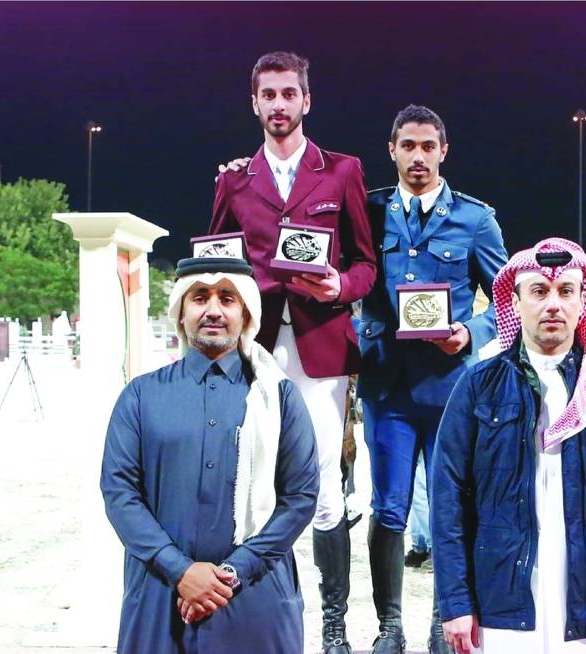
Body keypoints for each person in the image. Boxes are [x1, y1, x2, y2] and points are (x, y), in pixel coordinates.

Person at [209, 51, 376, 654]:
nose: (279, 104)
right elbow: (216, 265)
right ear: (254, 103)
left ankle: (334, 622)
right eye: (269, 95)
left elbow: (366, 265)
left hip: (320, 349)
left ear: (306, 100)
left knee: (325, 485)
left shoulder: (343, 171)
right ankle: (258, 612)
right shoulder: (232, 179)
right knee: (250, 483)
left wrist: (340, 286)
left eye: (289, 94)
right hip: (250, 350)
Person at [431, 238, 586, 654]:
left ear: (582, 302)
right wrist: (454, 603)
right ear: (515, 302)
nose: (553, 304)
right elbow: (447, 501)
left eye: (565, 292)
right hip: (502, 604)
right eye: (539, 291)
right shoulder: (478, 386)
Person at [100, 251, 319, 653]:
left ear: (247, 315)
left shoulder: (278, 397)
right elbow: (119, 492)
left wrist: (233, 573)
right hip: (161, 597)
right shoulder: (141, 396)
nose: (213, 310)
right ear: (181, 313)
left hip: (256, 596)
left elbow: (300, 498)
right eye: (200, 298)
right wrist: (179, 569)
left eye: (227, 299)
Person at [358, 104, 508, 654]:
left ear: (444, 152)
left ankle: (445, 626)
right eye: (408, 146)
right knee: (389, 509)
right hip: (386, 388)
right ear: (391, 150)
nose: (417, 157)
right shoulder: (367, 213)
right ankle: (389, 629)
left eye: (428, 147)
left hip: (451, 391)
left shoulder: (476, 219)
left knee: (450, 509)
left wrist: (470, 331)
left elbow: (510, 298)